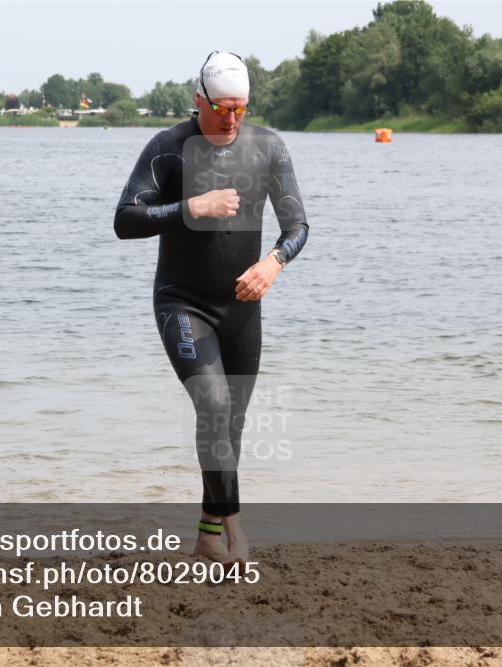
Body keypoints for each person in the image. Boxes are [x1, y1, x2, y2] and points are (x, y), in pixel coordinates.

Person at [114, 51, 308, 567]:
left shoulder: (268, 147)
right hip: (182, 301)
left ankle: (206, 535)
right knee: (214, 405)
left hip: (242, 305)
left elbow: (298, 226)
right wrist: (189, 209)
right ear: (198, 98)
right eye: (222, 107)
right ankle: (236, 531)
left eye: (240, 108)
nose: (231, 118)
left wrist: (274, 263)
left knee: (232, 422)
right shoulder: (169, 149)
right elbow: (125, 219)